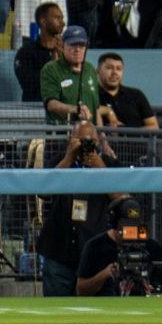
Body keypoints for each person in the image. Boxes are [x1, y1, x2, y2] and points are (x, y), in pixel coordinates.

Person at [35, 120, 121, 296]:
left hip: (94, 253)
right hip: (59, 249)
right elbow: (43, 192)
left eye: (90, 140)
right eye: (80, 140)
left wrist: (100, 167)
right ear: (71, 140)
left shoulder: (108, 164)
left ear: (98, 141)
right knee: (55, 310)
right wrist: (69, 157)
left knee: (100, 312)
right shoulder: (61, 161)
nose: (85, 146)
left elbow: (123, 198)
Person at [75, 197, 162, 296]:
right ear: (114, 222)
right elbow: (80, 289)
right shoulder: (95, 246)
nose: (130, 231)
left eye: (134, 226)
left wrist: (155, 278)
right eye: (126, 226)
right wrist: (104, 275)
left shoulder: (146, 244)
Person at [41, 24, 103, 125]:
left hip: (90, 134)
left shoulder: (90, 69)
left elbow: (96, 108)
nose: (77, 49)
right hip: (61, 136)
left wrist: (102, 137)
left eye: (81, 45)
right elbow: (51, 104)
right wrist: (75, 109)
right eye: (73, 45)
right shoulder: (51, 69)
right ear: (62, 46)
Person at [14, 2, 65, 103]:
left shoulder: (67, 52)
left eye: (62, 18)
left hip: (62, 110)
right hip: (34, 110)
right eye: (57, 18)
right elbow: (29, 84)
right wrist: (53, 63)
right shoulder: (25, 53)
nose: (63, 23)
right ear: (43, 21)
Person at [96, 52, 157, 129]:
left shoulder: (136, 94)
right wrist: (107, 111)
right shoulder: (91, 94)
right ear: (98, 71)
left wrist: (128, 135)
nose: (114, 72)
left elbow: (153, 126)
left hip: (135, 140)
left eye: (119, 69)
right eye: (109, 68)